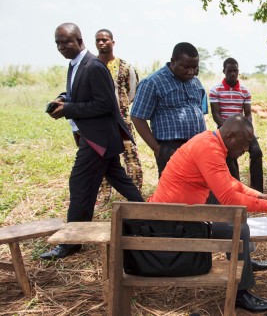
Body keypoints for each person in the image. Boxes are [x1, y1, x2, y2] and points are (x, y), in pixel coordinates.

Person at [148, 115, 267, 312]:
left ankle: (244, 263)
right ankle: (241, 293)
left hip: (179, 217)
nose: (245, 150)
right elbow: (228, 197)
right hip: (172, 226)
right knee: (237, 228)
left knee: (237, 219)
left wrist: (266, 197)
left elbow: (231, 183)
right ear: (230, 136)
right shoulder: (209, 148)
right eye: (244, 144)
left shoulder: (210, 142)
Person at [41, 23, 144, 260]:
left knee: (79, 186)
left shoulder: (93, 66)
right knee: (122, 182)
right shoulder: (77, 65)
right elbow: (82, 94)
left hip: (97, 139)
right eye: (57, 43)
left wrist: (68, 109)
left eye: (66, 41)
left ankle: (71, 241)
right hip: (96, 138)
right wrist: (63, 98)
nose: (61, 47)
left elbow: (106, 104)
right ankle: (153, 216)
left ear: (79, 40)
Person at [131, 42, 208, 178]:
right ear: (173, 61)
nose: (190, 72)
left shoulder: (195, 82)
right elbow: (137, 117)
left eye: (194, 67)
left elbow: (200, 111)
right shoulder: (152, 82)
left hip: (198, 146)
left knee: (200, 189)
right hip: (171, 147)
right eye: (185, 67)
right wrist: (157, 149)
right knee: (174, 192)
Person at [94, 28, 143, 205]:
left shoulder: (125, 67)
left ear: (112, 43)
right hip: (99, 122)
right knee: (103, 158)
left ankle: (134, 194)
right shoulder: (91, 66)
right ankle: (103, 195)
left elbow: (132, 93)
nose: (101, 43)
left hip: (122, 120)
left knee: (131, 156)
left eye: (105, 40)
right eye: (98, 40)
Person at [209, 57, 263, 192]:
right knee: (230, 157)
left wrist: (248, 131)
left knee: (256, 152)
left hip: (243, 130)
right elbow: (216, 114)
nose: (233, 73)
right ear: (224, 71)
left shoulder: (244, 91)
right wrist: (227, 131)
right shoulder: (215, 90)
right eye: (230, 70)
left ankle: (257, 190)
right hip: (225, 131)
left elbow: (248, 114)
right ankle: (237, 190)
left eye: (235, 70)